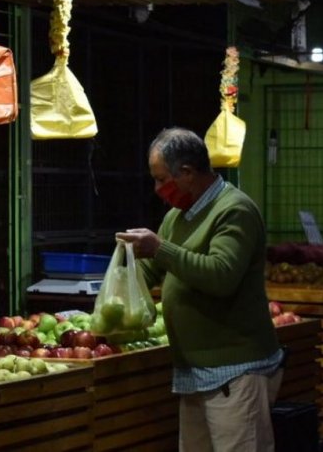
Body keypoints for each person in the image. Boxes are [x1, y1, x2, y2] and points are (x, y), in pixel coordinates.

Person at [115, 127, 283, 452]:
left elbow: (221, 275)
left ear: (188, 173)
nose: (158, 189)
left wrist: (160, 248)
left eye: (162, 179)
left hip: (234, 372)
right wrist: (119, 281)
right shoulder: (177, 217)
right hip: (193, 371)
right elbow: (152, 269)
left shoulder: (234, 210)